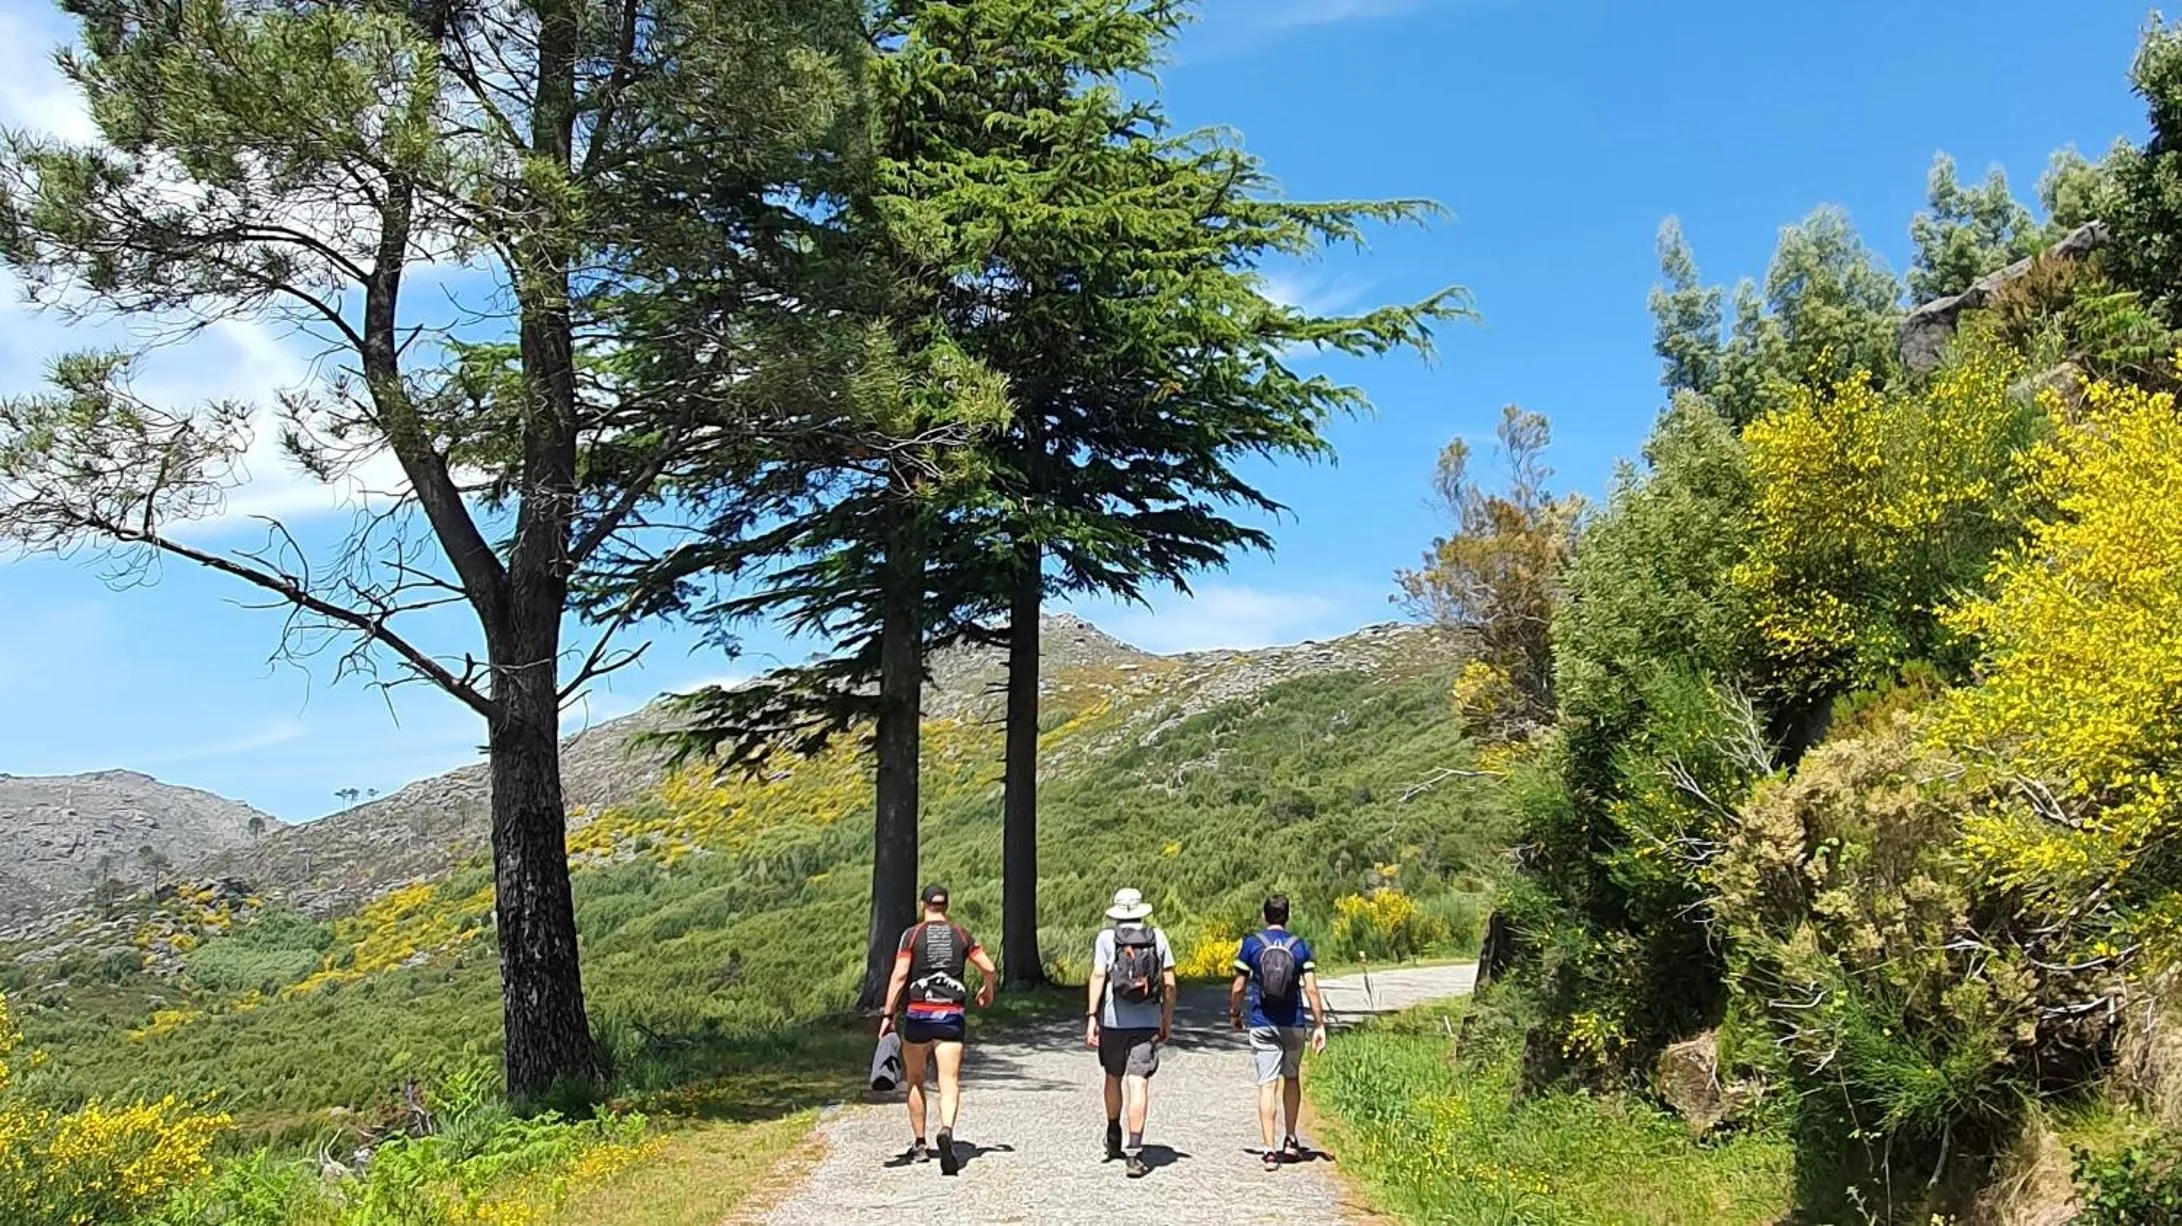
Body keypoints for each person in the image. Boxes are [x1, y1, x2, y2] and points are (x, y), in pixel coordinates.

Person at [878, 884, 996, 1176]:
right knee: (949, 1081)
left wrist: (888, 1014)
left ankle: (920, 1144)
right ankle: (946, 1130)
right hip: (951, 1017)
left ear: (923, 905)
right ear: (946, 905)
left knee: (916, 1079)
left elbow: (900, 975)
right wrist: (987, 988)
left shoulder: (912, 935)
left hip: (918, 1016)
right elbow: (989, 966)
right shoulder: (961, 934)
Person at [1229, 893, 1329, 1171]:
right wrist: (1319, 1024)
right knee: (1292, 1079)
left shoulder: (1252, 945)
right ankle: (1291, 1139)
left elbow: (1238, 987)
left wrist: (1235, 1014)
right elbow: (1311, 989)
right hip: (1293, 1022)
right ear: (1287, 916)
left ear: (1265, 916)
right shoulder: (1300, 947)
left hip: (1262, 1023)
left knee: (1267, 1084)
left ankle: (1269, 1150)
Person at [1084, 886, 1176, 1179]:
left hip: (1113, 1020)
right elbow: (1170, 982)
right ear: (1141, 911)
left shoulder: (1106, 938)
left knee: (1113, 1076)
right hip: (1147, 1020)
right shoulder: (1157, 937)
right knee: (1139, 1083)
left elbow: (1099, 975)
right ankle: (1134, 1153)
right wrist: (1166, 1017)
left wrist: (1091, 1016)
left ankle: (1114, 1133)